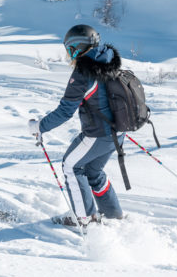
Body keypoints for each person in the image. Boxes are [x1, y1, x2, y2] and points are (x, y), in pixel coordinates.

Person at [28, 24, 125, 227]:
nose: (69, 56)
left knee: (71, 166)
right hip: (117, 132)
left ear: (77, 48)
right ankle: (113, 215)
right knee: (93, 171)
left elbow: (65, 111)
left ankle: (86, 220)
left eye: (69, 50)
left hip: (98, 134)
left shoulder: (83, 73)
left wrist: (40, 127)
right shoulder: (107, 60)